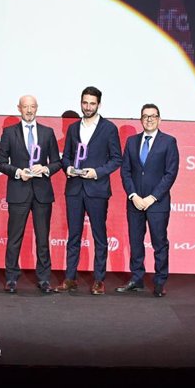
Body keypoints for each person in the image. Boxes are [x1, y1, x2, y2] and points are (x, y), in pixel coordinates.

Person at [55, 86, 122, 295]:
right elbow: (65, 157)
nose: (88, 107)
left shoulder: (109, 128)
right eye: (85, 103)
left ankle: (99, 280)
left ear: (99, 104)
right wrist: (68, 169)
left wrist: (97, 172)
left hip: (97, 188)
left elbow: (116, 159)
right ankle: (70, 278)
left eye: (92, 103)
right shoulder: (74, 129)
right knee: (73, 235)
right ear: (81, 102)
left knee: (99, 235)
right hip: (74, 188)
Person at [0, 94, 62, 294]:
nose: (29, 110)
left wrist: (46, 168)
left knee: (43, 239)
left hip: (42, 192)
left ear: (37, 108)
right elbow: (0, 162)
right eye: (26, 107)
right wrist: (17, 172)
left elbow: (58, 162)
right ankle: (11, 278)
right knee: (14, 237)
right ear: (19, 108)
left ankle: (44, 279)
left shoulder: (47, 132)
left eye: (32, 106)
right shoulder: (9, 133)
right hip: (18, 191)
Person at [117, 103, 179, 297]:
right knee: (135, 242)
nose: (149, 119)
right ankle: (137, 279)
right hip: (134, 202)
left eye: (153, 116)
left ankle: (160, 281)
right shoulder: (132, 141)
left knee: (159, 243)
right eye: (145, 116)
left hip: (157, 204)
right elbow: (125, 171)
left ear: (159, 119)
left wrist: (152, 197)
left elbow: (170, 174)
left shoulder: (168, 142)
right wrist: (133, 195)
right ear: (141, 119)